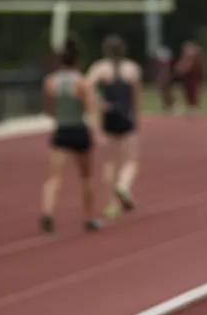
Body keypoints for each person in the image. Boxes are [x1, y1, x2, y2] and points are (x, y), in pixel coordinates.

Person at [40, 39, 101, 234]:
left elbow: (49, 110)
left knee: (54, 178)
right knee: (86, 177)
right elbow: (91, 109)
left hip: (61, 130)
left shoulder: (50, 82)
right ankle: (89, 217)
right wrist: (96, 132)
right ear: (78, 60)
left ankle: (48, 211)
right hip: (79, 130)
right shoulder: (81, 82)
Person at [87, 35, 144, 218]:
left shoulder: (100, 68)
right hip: (126, 116)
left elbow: (86, 87)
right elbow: (136, 97)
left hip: (109, 117)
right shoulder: (132, 69)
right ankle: (123, 185)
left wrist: (99, 103)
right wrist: (137, 119)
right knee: (131, 159)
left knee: (110, 161)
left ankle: (111, 203)